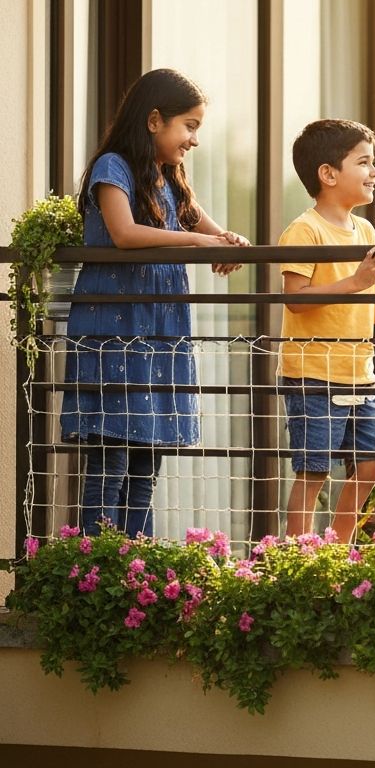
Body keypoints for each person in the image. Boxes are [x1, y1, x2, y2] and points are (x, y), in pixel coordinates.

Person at [61, 68, 249, 537]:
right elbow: (123, 233)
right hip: (116, 328)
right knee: (111, 461)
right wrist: (203, 246)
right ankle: (95, 571)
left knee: (146, 464)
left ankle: (135, 566)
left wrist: (229, 241)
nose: (194, 140)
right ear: (153, 121)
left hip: (159, 330)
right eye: (189, 126)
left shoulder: (169, 178)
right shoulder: (113, 168)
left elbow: (209, 232)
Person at [278, 119, 375, 541]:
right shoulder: (305, 230)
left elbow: (368, 303)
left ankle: (337, 547)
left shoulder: (365, 231)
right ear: (328, 173)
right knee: (315, 468)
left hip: (359, 373)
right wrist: (355, 281)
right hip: (313, 375)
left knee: (372, 464)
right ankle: (297, 554)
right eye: (364, 162)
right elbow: (295, 298)